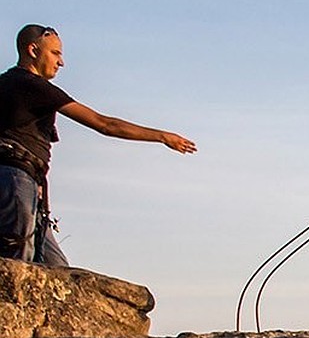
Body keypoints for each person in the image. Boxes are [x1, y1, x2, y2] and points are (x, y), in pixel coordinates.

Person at [0, 24, 197, 266]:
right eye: (55, 53)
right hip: (15, 176)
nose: (61, 62)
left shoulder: (7, 83)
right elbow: (104, 124)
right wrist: (162, 136)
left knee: (59, 271)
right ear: (32, 50)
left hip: (25, 179)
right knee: (17, 261)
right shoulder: (30, 85)